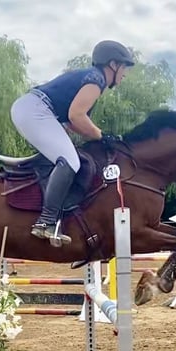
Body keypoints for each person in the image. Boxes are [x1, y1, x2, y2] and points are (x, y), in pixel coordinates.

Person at [10, 40, 135, 246]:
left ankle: (51, 219)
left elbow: (73, 123)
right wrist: (102, 135)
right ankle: (46, 221)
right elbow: (76, 116)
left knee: (69, 158)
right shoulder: (96, 80)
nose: (125, 74)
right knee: (70, 160)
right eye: (124, 67)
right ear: (113, 64)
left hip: (31, 108)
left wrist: (100, 136)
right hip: (35, 110)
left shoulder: (90, 78)